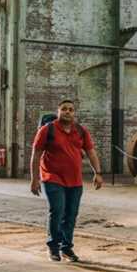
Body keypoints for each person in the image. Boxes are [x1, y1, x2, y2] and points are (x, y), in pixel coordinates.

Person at [30, 99, 104, 262]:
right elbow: (36, 155)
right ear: (58, 112)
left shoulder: (81, 131)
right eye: (64, 109)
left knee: (71, 215)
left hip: (75, 181)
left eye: (71, 109)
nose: (68, 112)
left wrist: (97, 172)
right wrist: (34, 179)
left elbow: (91, 152)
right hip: (52, 177)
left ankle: (66, 248)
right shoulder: (47, 130)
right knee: (57, 211)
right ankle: (53, 247)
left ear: (74, 113)